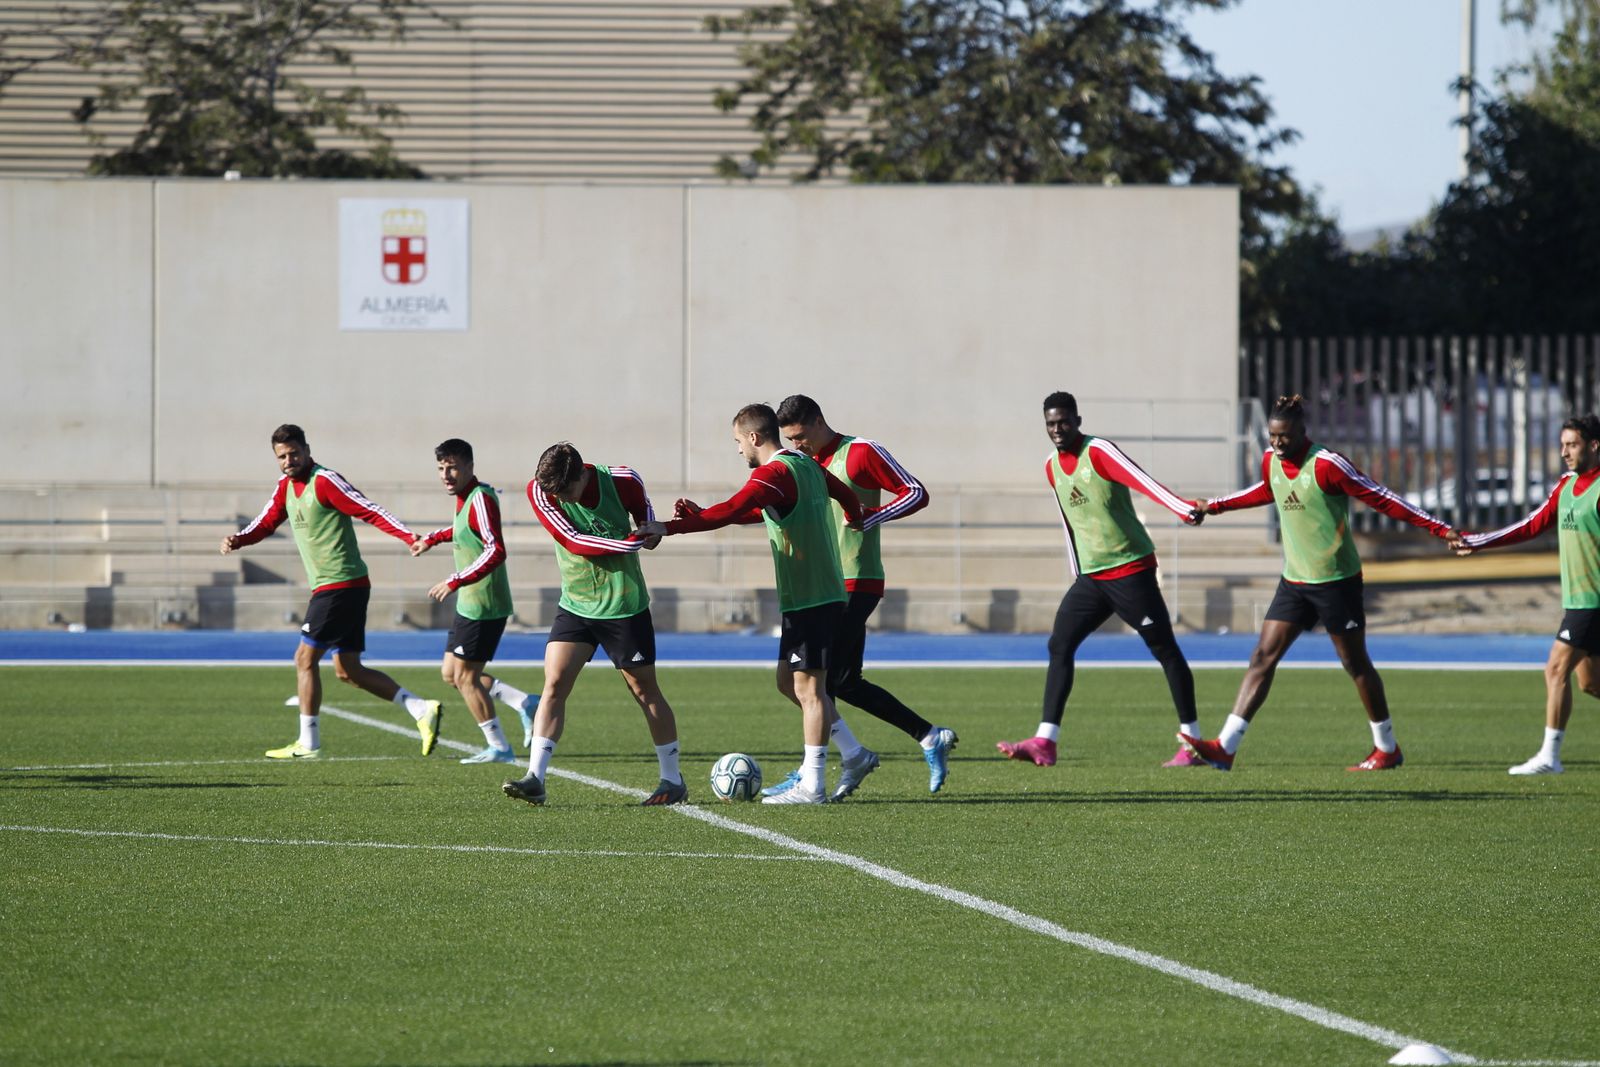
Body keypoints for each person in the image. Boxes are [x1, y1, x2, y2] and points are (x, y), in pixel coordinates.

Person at [1180, 394, 1458, 771]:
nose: (1277, 444)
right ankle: (1225, 746)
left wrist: (1439, 529)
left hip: (1336, 582)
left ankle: (1386, 747)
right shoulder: (1271, 460)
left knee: (1355, 664)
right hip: (1294, 581)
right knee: (1263, 656)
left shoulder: (1328, 465)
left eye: (1285, 436)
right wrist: (1213, 506)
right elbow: (1266, 490)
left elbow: (1383, 498)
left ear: (1302, 431)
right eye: (1272, 436)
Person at [641, 403, 867, 805]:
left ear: (753, 437)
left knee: (809, 688)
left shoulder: (773, 472)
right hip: (812, 594)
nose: (738, 451)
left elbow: (733, 507)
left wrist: (670, 527)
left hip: (814, 596)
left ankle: (813, 785)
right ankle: (854, 753)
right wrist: (854, 516)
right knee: (788, 682)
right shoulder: (805, 464)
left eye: (737, 442)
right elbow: (838, 496)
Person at [996, 391, 1209, 769]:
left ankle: (1193, 743)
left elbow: (1143, 481)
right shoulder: (1051, 466)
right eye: (1050, 423)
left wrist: (1182, 508)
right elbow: (1069, 524)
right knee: (1060, 645)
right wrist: (1077, 572)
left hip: (1130, 570)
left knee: (1165, 650)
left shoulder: (1099, 453)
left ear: (1078, 420)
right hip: (1092, 579)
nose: (1057, 429)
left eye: (1063, 422)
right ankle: (1045, 741)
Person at [221, 423, 442, 759]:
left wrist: (408, 536)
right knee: (348, 670)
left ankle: (308, 742)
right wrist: (238, 539)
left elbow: (368, 508)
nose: (289, 460)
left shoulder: (324, 481)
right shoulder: (285, 487)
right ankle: (420, 708)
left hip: (340, 585)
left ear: (307, 450)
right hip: (338, 587)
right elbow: (265, 522)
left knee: (303, 658)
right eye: (282, 456)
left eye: (294, 453)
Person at [774, 394, 959, 793]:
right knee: (839, 681)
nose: (797, 446)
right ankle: (926, 737)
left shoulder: (860, 452)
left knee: (814, 681)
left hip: (856, 581)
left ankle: (823, 770)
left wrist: (874, 515)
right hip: (821, 586)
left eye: (801, 436)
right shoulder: (803, 464)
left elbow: (914, 492)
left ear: (819, 421)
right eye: (789, 440)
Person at [501, 442, 686, 807]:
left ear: (583, 475)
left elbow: (646, 526)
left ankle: (672, 779)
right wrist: (627, 543)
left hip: (623, 604)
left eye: (566, 492)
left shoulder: (624, 481)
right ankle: (535, 778)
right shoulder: (541, 489)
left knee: (645, 692)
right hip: (577, 602)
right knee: (554, 683)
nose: (561, 500)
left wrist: (650, 535)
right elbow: (572, 541)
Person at [1453, 414, 1600, 775]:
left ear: (1594, 446)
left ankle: (1550, 757)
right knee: (1591, 683)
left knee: (1554, 669)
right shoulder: (1566, 486)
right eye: (1562, 444)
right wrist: (1480, 542)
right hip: (1578, 600)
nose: (1564, 452)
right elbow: (1531, 525)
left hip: (1593, 604)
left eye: (1573, 444)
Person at [409, 439, 540, 765]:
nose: (446, 474)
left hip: (484, 604)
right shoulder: (466, 498)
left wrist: (454, 580)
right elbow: (462, 528)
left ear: (469, 466)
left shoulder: (480, 497)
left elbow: (495, 550)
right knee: (452, 674)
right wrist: (432, 539)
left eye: (452, 467)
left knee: (466, 678)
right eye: (441, 468)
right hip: (470, 603)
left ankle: (499, 747)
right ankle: (523, 702)